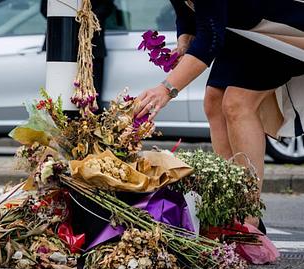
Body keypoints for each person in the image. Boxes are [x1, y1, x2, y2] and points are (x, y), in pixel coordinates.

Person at [134, 0, 304, 229]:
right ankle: (229, 205)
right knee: (213, 102)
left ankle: (248, 218)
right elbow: (185, 9)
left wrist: (167, 89)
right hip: (244, 30)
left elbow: (210, 40)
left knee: (237, 103)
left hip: (283, 27)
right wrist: (184, 37)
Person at [41, 0, 116, 111]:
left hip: (92, 46)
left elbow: (107, 7)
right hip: (61, 42)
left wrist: (86, 18)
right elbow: (46, 7)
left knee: (90, 100)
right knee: (58, 92)